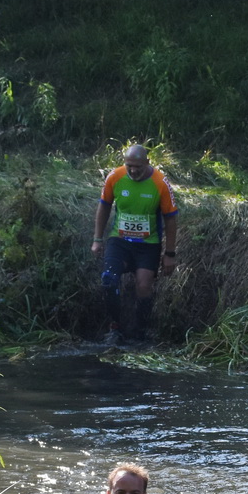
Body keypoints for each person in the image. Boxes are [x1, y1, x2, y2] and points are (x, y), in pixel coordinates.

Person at [92, 145, 179, 347]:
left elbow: (171, 219)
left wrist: (170, 253)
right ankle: (115, 328)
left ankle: (141, 330)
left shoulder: (160, 183)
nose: (133, 171)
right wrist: (97, 239)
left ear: (147, 163)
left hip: (147, 244)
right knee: (109, 280)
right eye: (129, 166)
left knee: (143, 285)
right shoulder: (115, 177)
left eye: (138, 167)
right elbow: (103, 206)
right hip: (119, 241)